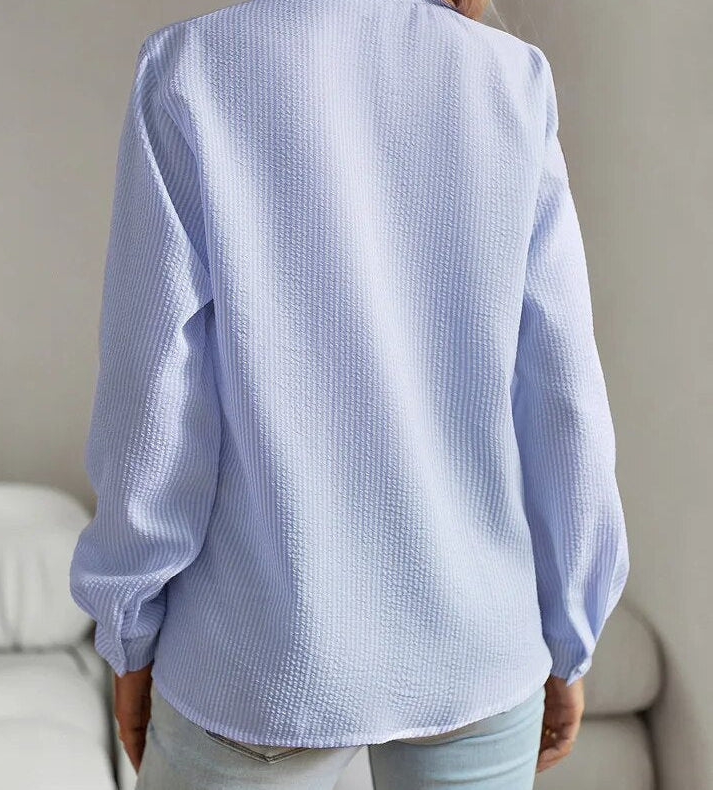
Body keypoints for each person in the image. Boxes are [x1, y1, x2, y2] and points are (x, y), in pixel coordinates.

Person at [69, 0, 631, 786]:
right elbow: (561, 393)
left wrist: (128, 627)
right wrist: (572, 631)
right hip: (476, 645)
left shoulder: (191, 69)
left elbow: (154, 401)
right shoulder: (510, 79)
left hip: (258, 654)